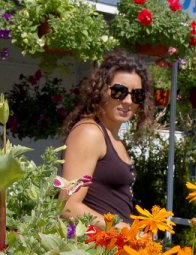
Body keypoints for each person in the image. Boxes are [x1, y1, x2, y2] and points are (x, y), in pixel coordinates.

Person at [60, 50, 154, 228]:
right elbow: (68, 205)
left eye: (137, 95)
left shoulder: (115, 138)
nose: (128, 101)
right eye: (119, 91)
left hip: (111, 247)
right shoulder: (90, 133)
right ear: (102, 90)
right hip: (92, 249)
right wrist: (121, 229)